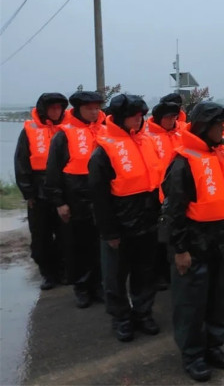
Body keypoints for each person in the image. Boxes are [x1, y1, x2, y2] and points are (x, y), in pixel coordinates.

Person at [161, 102, 224, 382]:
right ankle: (192, 355)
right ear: (205, 127)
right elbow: (174, 211)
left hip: (217, 240)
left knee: (216, 298)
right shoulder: (183, 161)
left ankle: (213, 346)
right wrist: (180, 249)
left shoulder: (217, 154)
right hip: (193, 244)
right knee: (190, 303)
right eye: (219, 125)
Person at [89, 95, 163, 342]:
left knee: (145, 271)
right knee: (115, 276)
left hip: (148, 221)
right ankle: (121, 317)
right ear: (120, 118)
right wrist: (109, 232)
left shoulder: (148, 141)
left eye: (141, 114)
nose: (139, 119)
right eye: (134, 115)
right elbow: (99, 197)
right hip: (120, 224)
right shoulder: (103, 150)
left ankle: (143, 313)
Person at [45, 91, 105, 308]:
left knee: (100, 244)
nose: (94, 111)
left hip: (99, 198)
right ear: (78, 109)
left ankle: (98, 286)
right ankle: (81, 287)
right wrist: (60, 202)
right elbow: (53, 172)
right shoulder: (63, 134)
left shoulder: (105, 130)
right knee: (77, 246)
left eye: (97, 107)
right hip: (75, 199)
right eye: (90, 108)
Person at [14, 92, 69, 290]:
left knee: (65, 234)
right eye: (52, 108)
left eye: (59, 108)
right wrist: (28, 193)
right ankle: (48, 274)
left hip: (63, 190)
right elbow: (21, 163)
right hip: (39, 191)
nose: (56, 111)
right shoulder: (29, 129)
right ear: (44, 110)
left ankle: (64, 271)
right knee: (41, 236)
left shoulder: (67, 128)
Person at [146, 98, 182, 290]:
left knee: (174, 235)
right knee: (157, 238)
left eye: (174, 117)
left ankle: (172, 270)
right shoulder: (148, 137)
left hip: (176, 193)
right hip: (155, 193)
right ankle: (158, 274)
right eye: (167, 117)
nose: (171, 120)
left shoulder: (181, 134)